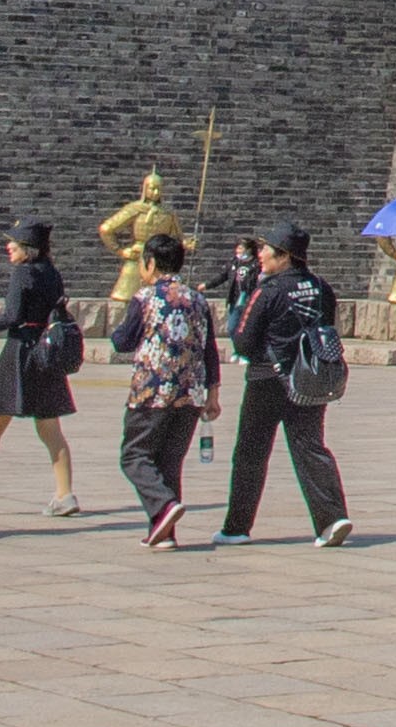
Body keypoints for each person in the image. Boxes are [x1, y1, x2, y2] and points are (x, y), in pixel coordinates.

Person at [215, 230, 355, 549]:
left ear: (285, 255)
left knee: (251, 452)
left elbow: (244, 340)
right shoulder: (322, 288)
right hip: (309, 380)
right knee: (310, 447)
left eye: (266, 249)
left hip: (268, 380)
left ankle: (237, 527)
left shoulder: (269, 291)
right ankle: (332, 519)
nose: (260, 254)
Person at [112, 229, 219, 546]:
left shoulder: (146, 298)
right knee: (169, 462)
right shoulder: (197, 299)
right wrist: (213, 393)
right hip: (191, 392)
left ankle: (164, 506)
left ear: (150, 263)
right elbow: (209, 349)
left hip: (153, 390)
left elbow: (122, 341)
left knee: (134, 456)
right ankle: (163, 533)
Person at [0, 223, 86, 515]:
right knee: (50, 428)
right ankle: (65, 494)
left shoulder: (23, 273)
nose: (8, 247)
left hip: (20, 353)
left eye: (13, 243)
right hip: (46, 353)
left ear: (27, 248)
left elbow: (11, 316)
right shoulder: (52, 272)